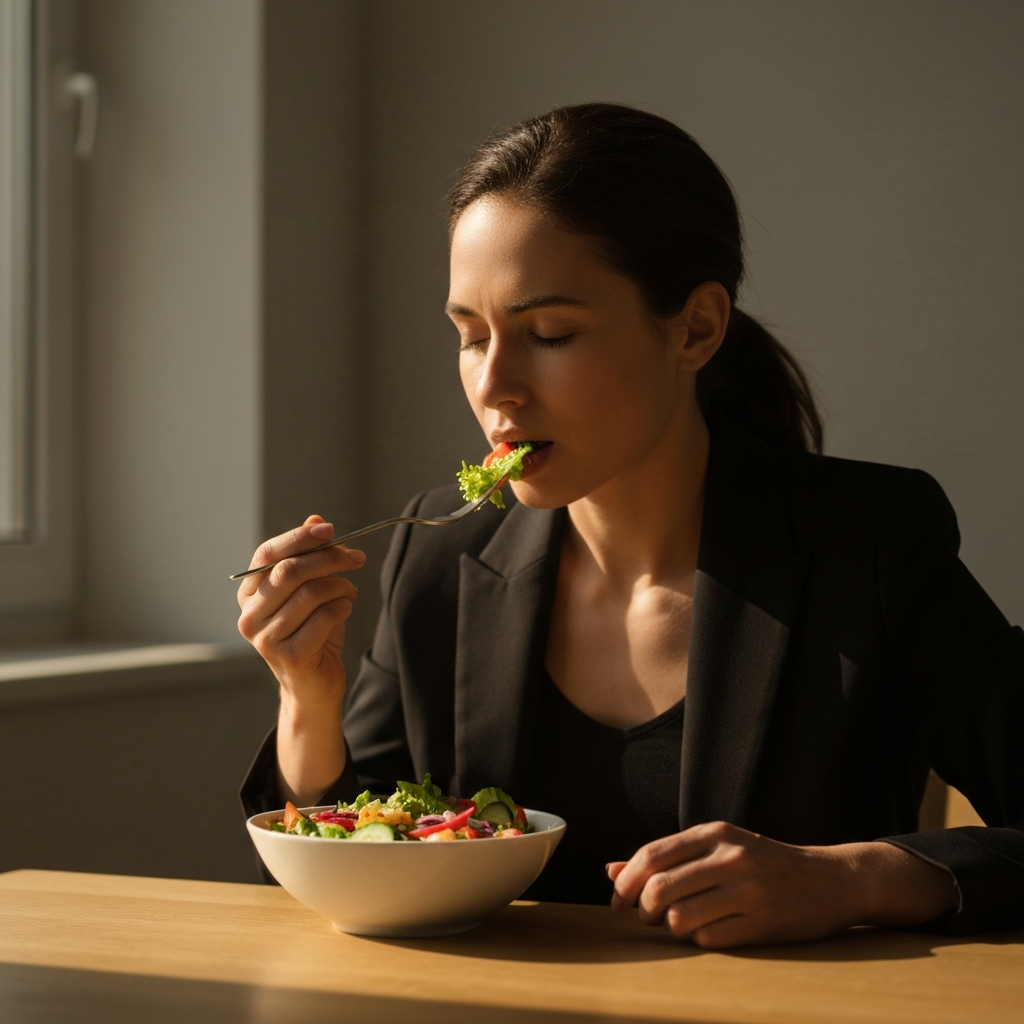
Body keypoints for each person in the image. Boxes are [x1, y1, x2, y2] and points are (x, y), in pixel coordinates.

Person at [239, 103, 1023, 947]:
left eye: (549, 333)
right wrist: (307, 701)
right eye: (471, 337)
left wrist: (849, 879)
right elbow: (367, 847)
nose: (495, 386)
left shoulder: (867, 543)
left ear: (695, 328)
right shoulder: (443, 550)